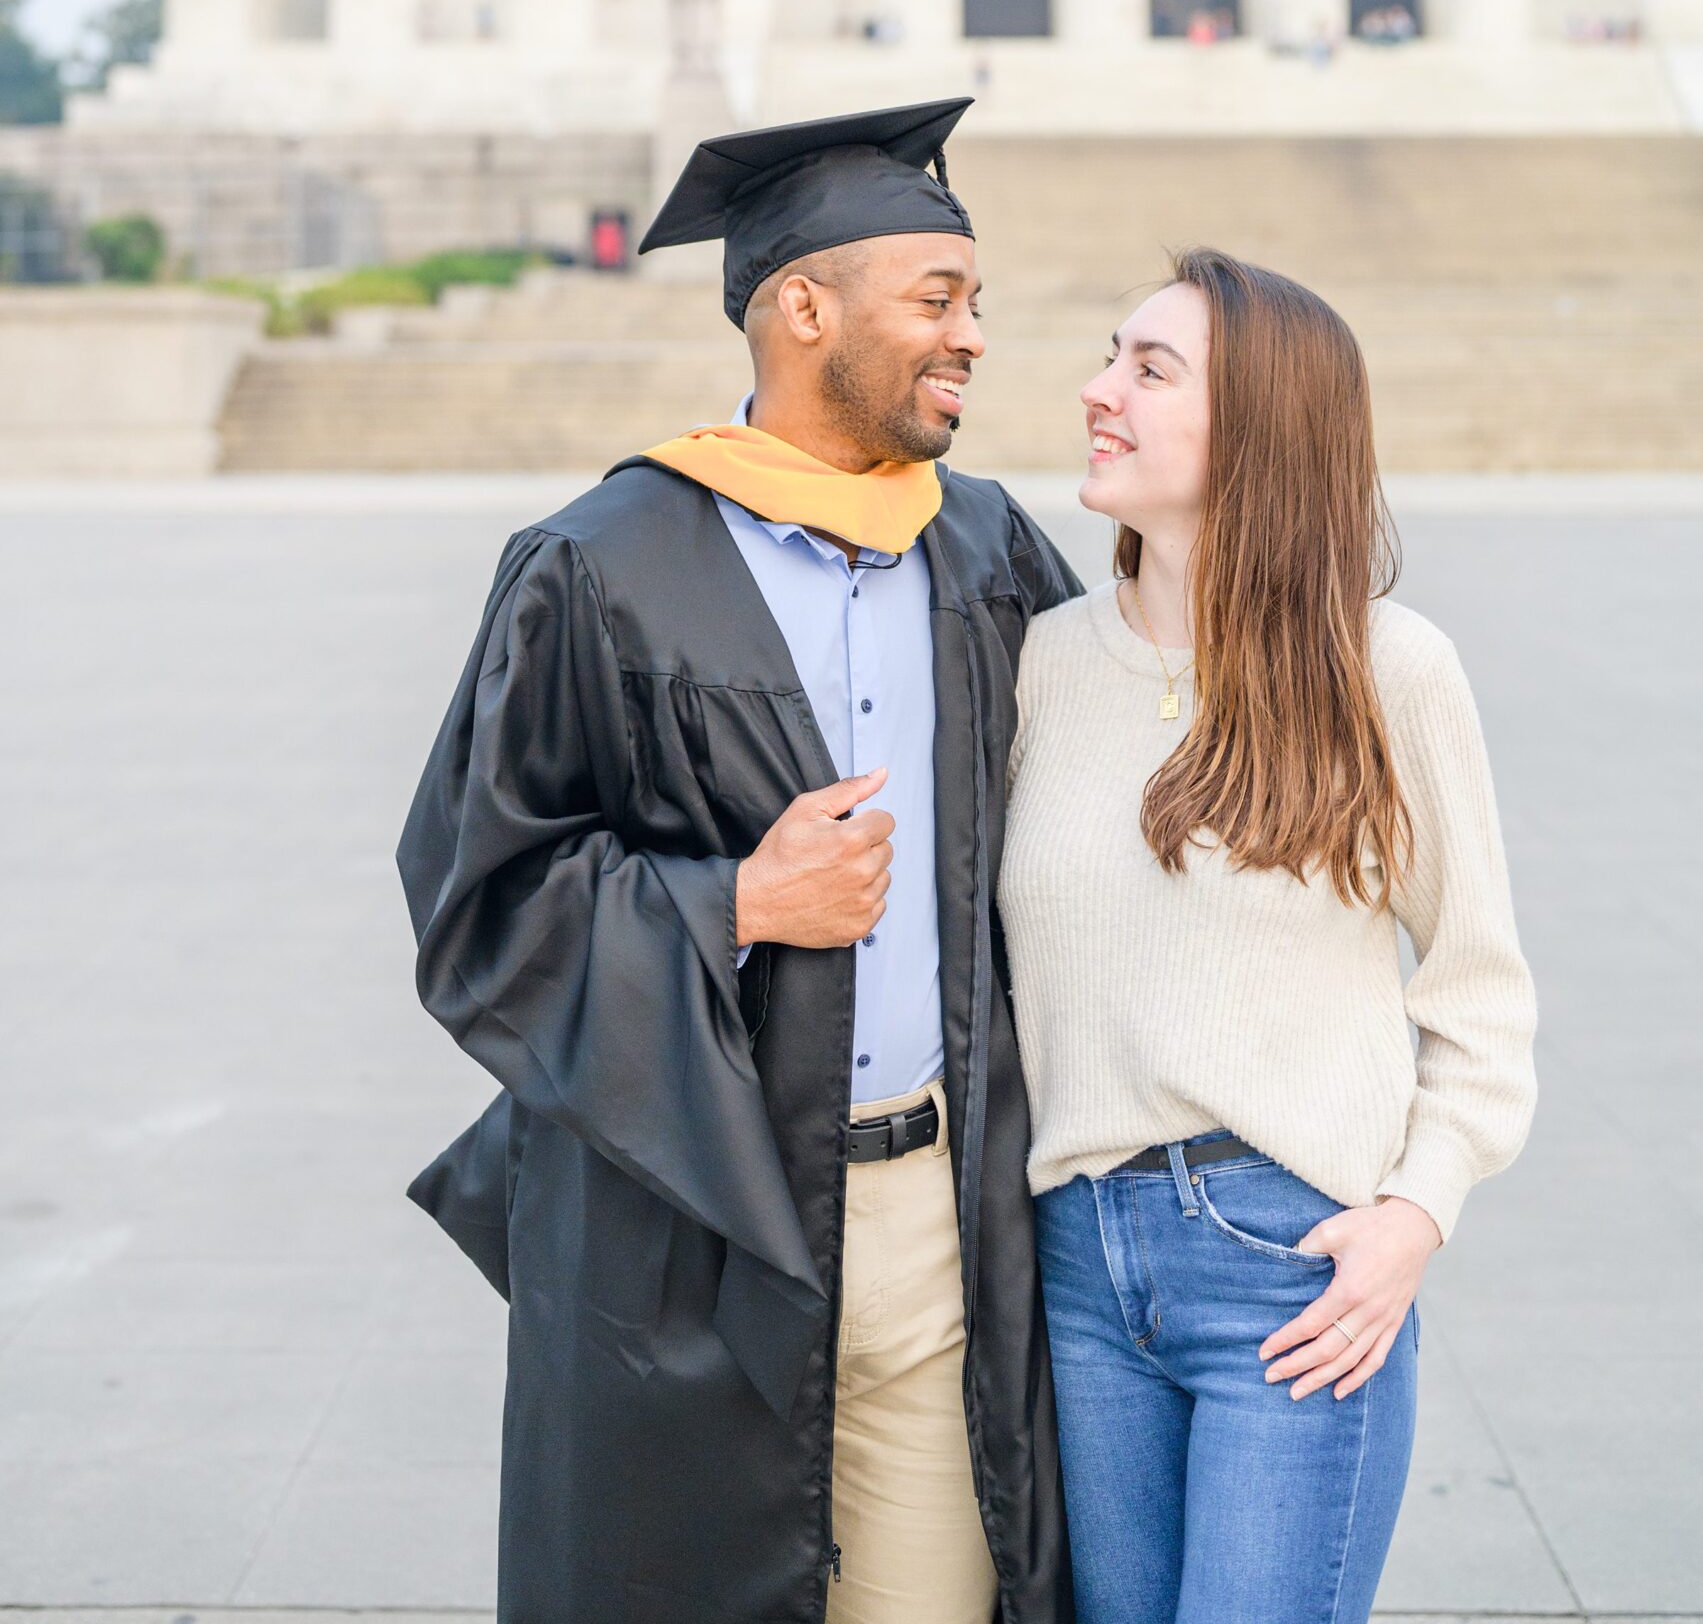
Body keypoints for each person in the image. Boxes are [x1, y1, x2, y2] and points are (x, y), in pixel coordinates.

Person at [398, 97, 1082, 1624]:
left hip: (942, 1224)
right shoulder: (601, 564)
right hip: (687, 1225)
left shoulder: (989, 555)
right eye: (938, 300)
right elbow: (478, 905)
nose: (972, 336)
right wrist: (737, 903)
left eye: (976, 304)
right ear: (802, 306)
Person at [998, 247, 1538, 1624]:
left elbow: (1479, 999)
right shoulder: (1044, 662)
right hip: (1078, 1264)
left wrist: (1415, 1215)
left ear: (1261, 428)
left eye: (1148, 367)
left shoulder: (1387, 671)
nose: (1094, 390)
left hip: (1289, 1272)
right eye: (1111, 355)